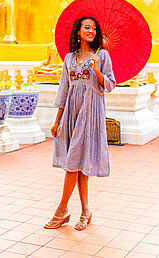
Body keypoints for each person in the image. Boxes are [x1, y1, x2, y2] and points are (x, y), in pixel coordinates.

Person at [44, 16, 116, 231]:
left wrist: (95, 69)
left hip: (91, 112)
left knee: (74, 162)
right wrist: (57, 121)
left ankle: (61, 209)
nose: (91, 31)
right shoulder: (68, 58)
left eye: (94, 28)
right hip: (71, 114)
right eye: (87, 27)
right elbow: (63, 90)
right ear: (78, 31)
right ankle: (85, 211)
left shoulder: (102, 55)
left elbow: (110, 85)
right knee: (78, 164)